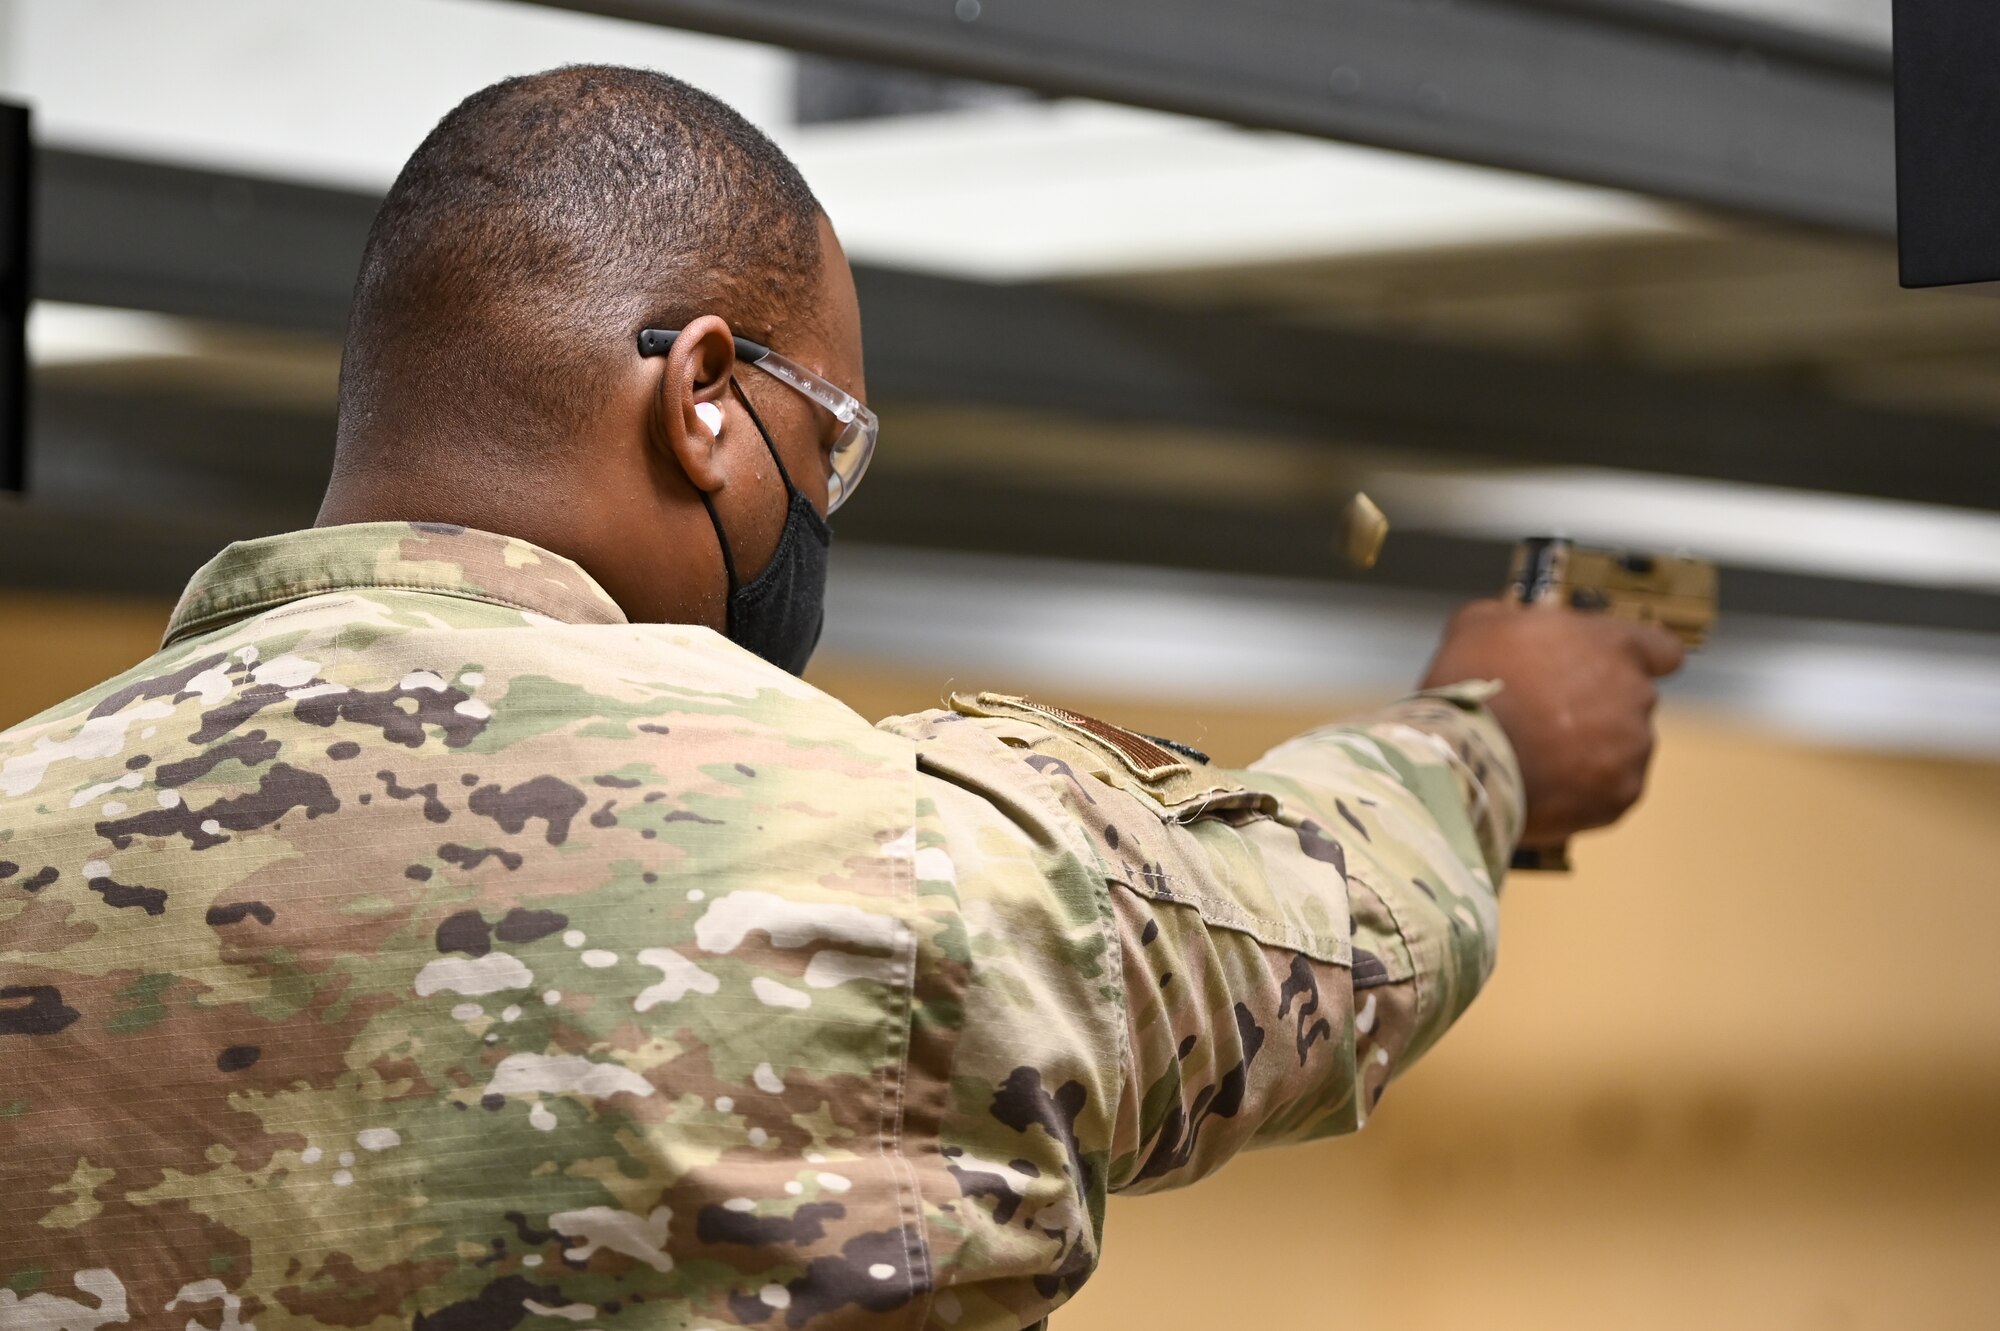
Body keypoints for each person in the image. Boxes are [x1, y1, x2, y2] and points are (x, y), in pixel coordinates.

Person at [0, 66, 1682, 1331]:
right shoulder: (891, 861)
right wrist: (1493, 737)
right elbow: (1330, 930)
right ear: (710, 400)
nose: (826, 510)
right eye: (834, 447)